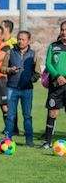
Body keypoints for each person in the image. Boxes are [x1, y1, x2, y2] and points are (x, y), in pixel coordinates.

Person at [1, 31, 39, 146]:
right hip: (11, 88)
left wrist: (30, 79)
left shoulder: (33, 54)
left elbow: (38, 73)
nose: (20, 41)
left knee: (27, 115)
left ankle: (29, 140)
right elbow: (2, 68)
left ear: (29, 41)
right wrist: (10, 70)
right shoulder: (10, 52)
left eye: (23, 39)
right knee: (10, 116)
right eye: (19, 39)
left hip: (27, 90)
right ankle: (7, 139)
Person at [41, 20, 66, 148]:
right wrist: (57, 76)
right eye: (62, 30)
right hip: (56, 84)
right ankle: (47, 142)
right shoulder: (53, 46)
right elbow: (48, 64)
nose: (64, 32)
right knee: (52, 112)